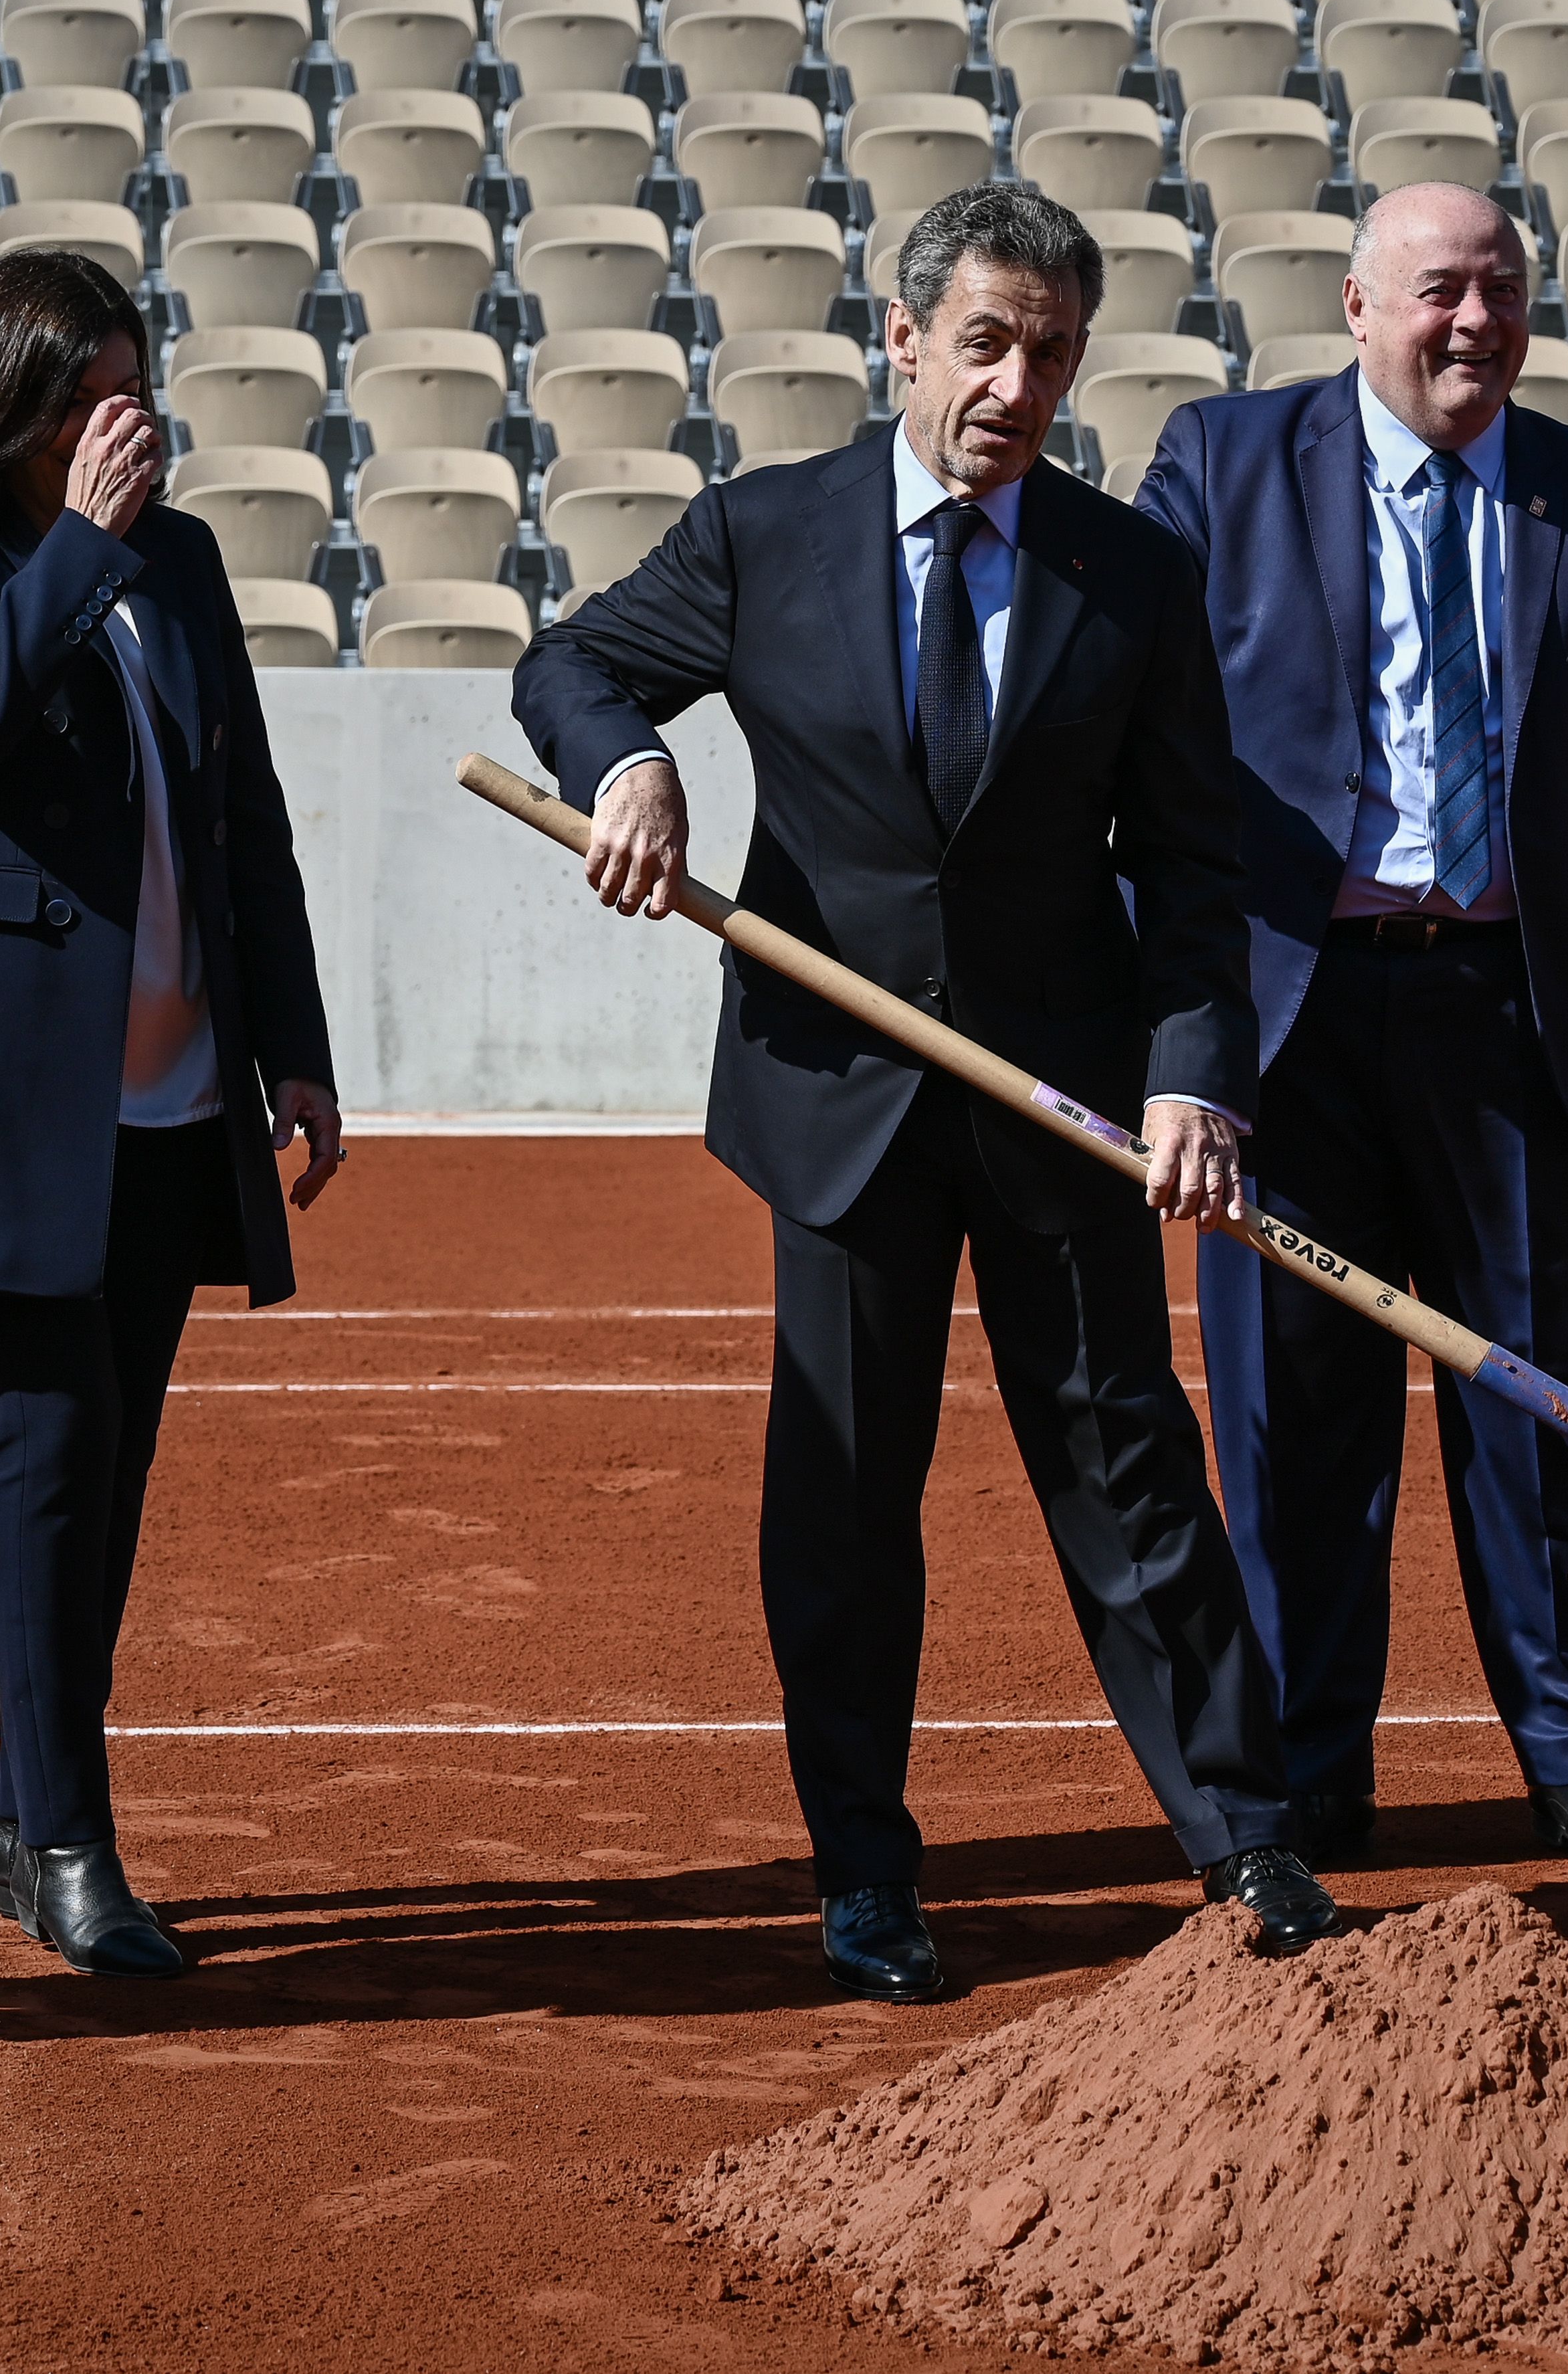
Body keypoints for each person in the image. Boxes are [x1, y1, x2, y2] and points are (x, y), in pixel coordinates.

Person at [509, 181, 1340, 2000]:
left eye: (1049, 350)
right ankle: (866, 1873)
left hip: (1066, 1103)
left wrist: (1202, 1079)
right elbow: (566, 661)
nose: (1015, 382)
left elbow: (1195, 863)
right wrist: (636, 765)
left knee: (1133, 1478)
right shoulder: (765, 533)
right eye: (984, 341)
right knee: (846, 1502)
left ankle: (1246, 1836)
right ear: (904, 341)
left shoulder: (1132, 574)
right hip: (839, 1101)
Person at [1133, 183, 1568, 1884]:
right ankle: (1307, 1780)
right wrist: (1167, 1027)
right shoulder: (1219, 462)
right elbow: (1149, 750)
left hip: (1512, 1013)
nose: (1471, 323)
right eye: (1435, 292)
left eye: (1499, 290)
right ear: (1351, 305)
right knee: (1290, 1417)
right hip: (1284, 1023)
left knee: (1548, 1399)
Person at [0, 250, 345, 1979]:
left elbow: (244, 816)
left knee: (106, 1465)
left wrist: (297, 1044)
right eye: (92, 390)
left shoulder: (181, 559)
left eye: (137, 382)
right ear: (15, 402)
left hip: (167, 1086)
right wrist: (74, 550)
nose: (130, 418)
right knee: (51, 1435)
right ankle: (63, 1837)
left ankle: (34, 1800)